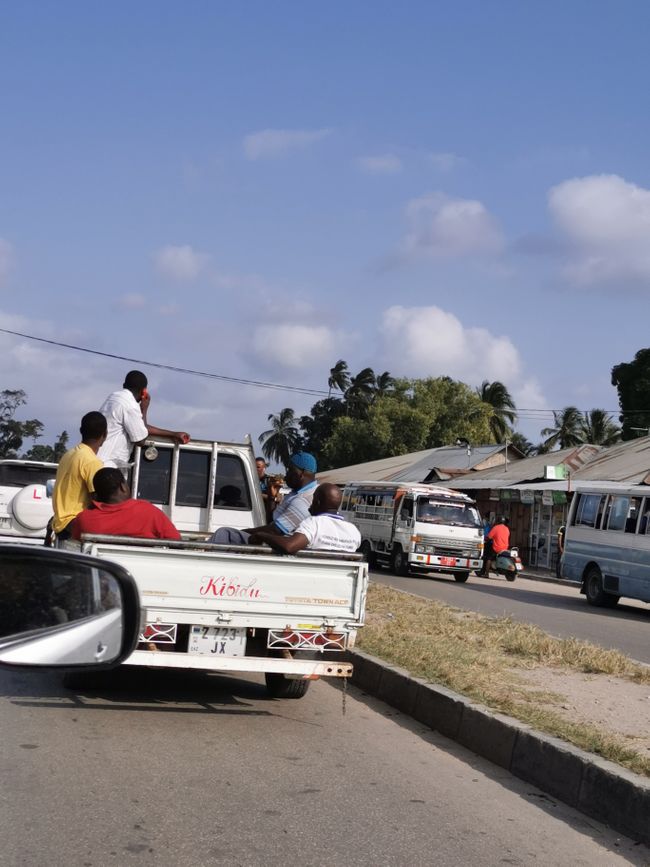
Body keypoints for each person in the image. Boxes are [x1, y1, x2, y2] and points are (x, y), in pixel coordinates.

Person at [210, 452, 318, 546]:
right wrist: (271, 498)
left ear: (301, 473)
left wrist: (243, 532)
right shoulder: (296, 493)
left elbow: (275, 531)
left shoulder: (304, 499)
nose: (286, 475)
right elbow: (271, 523)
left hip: (277, 544)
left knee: (224, 534)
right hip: (272, 540)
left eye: (290, 470)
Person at [97, 370, 190, 469]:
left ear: (124, 385)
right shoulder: (130, 406)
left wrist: (173, 434)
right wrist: (144, 409)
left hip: (97, 459)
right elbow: (141, 439)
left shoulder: (114, 397)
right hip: (109, 464)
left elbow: (139, 427)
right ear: (144, 391)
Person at [72, 467, 181, 541]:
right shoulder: (148, 512)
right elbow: (176, 541)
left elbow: (75, 544)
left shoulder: (84, 518)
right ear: (122, 487)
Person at [250, 483, 360, 554]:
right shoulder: (354, 530)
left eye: (313, 500)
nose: (310, 506)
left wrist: (261, 535)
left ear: (317, 502)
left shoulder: (314, 523)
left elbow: (289, 546)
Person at [52, 411, 107, 542]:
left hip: (60, 525)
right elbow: (98, 501)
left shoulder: (68, 455)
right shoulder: (92, 462)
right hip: (75, 526)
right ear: (105, 435)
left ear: (81, 430)